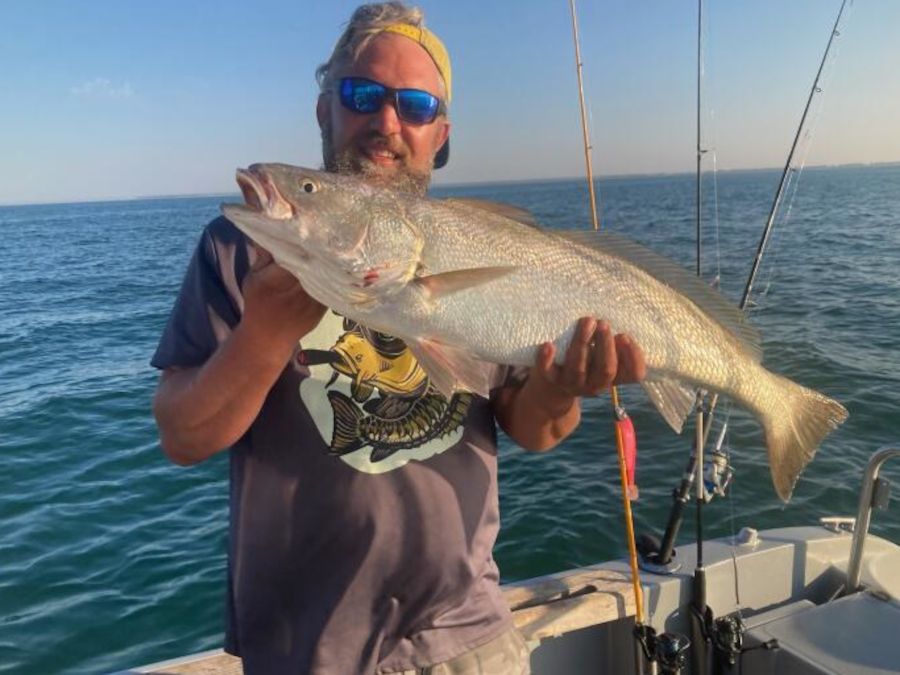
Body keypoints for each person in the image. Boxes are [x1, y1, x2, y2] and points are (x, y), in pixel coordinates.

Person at [151, 3, 646, 674]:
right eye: (362, 95)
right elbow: (183, 436)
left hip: (468, 637)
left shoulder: (476, 247)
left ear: (439, 134)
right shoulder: (242, 249)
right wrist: (265, 332)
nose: (387, 123)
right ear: (324, 110)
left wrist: (559, 388)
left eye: (415, 105)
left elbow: (533, 429)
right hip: (305, 652)